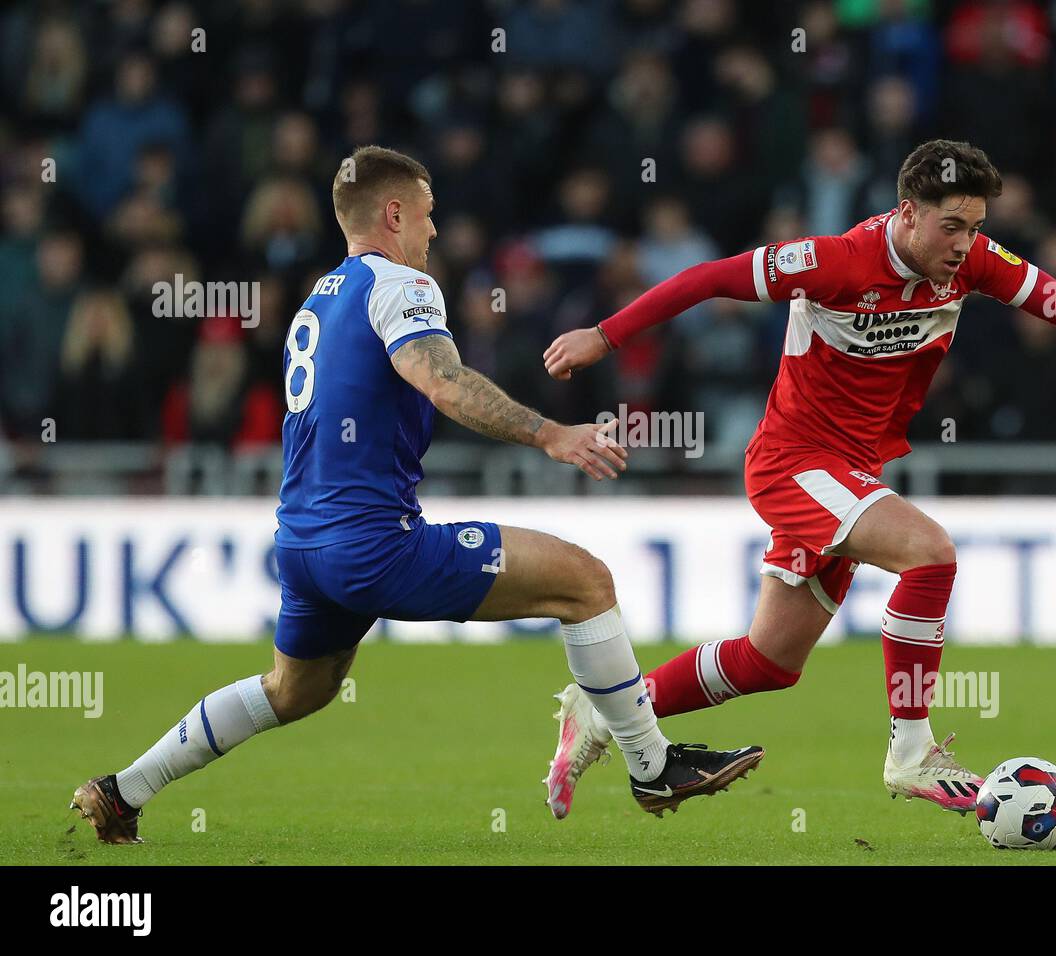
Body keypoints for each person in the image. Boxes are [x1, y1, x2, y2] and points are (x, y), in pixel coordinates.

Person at [70, 146, 762, 843]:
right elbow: (445, 382)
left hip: (304, 545)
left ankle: (122, 791)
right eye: (428, 215)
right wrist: (551, 432)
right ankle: (652, 766)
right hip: (373, 544)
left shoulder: (321, 295)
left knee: (294, 690)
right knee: (585, 582)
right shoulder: (400, 285)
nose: (434, 232)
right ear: (394, 214)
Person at [542, 139, 1056, 815]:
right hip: (794, 463)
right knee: (930, 554)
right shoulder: (835, 261)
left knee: (769, 661)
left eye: (977, 227)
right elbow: (710, 278)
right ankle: (911, 752)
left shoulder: (973, 265)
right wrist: (606, 336)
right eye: (951, 226)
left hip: (852, 471)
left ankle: (605, 706)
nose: (965, 244)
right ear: (907, 213)